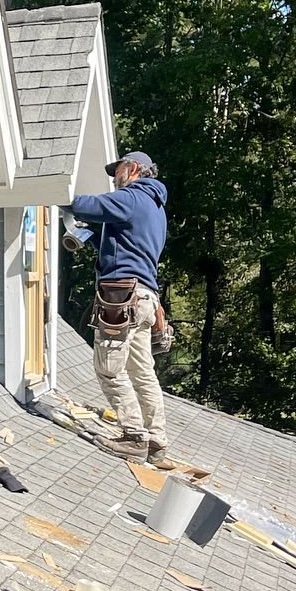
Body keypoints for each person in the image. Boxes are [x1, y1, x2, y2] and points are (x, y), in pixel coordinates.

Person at [66, 152, 173, 469]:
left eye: (119, 170)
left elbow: (92, 206)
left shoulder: (133, 196)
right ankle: (156, 441)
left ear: (134, 169)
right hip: (145, 300)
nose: (114, 177)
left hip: (122, 298)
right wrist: (97, 236)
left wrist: (60, 196)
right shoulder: (154, 209)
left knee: (109, 369)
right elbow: (127, 246)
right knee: (142, 373)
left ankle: (134, 437)